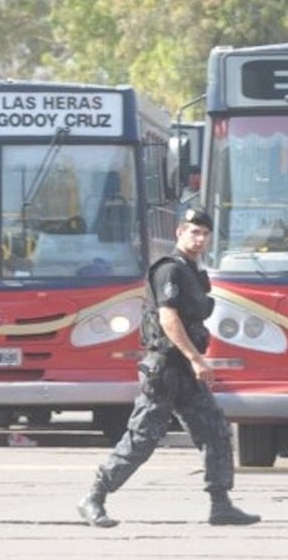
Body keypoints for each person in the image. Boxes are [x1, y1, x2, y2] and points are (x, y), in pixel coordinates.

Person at [76, 209, 260, 528]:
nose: (199, 239)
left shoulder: (192, 271)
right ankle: (94, 496)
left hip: (184, 370)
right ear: (179, 233)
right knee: (142, 437)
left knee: (215, 431)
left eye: (205, 234)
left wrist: (192, 361)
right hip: (164, 368)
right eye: (194, 232)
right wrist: (196, 358)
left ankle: (221, 504)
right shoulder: (169, 270)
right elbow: (168, 319)